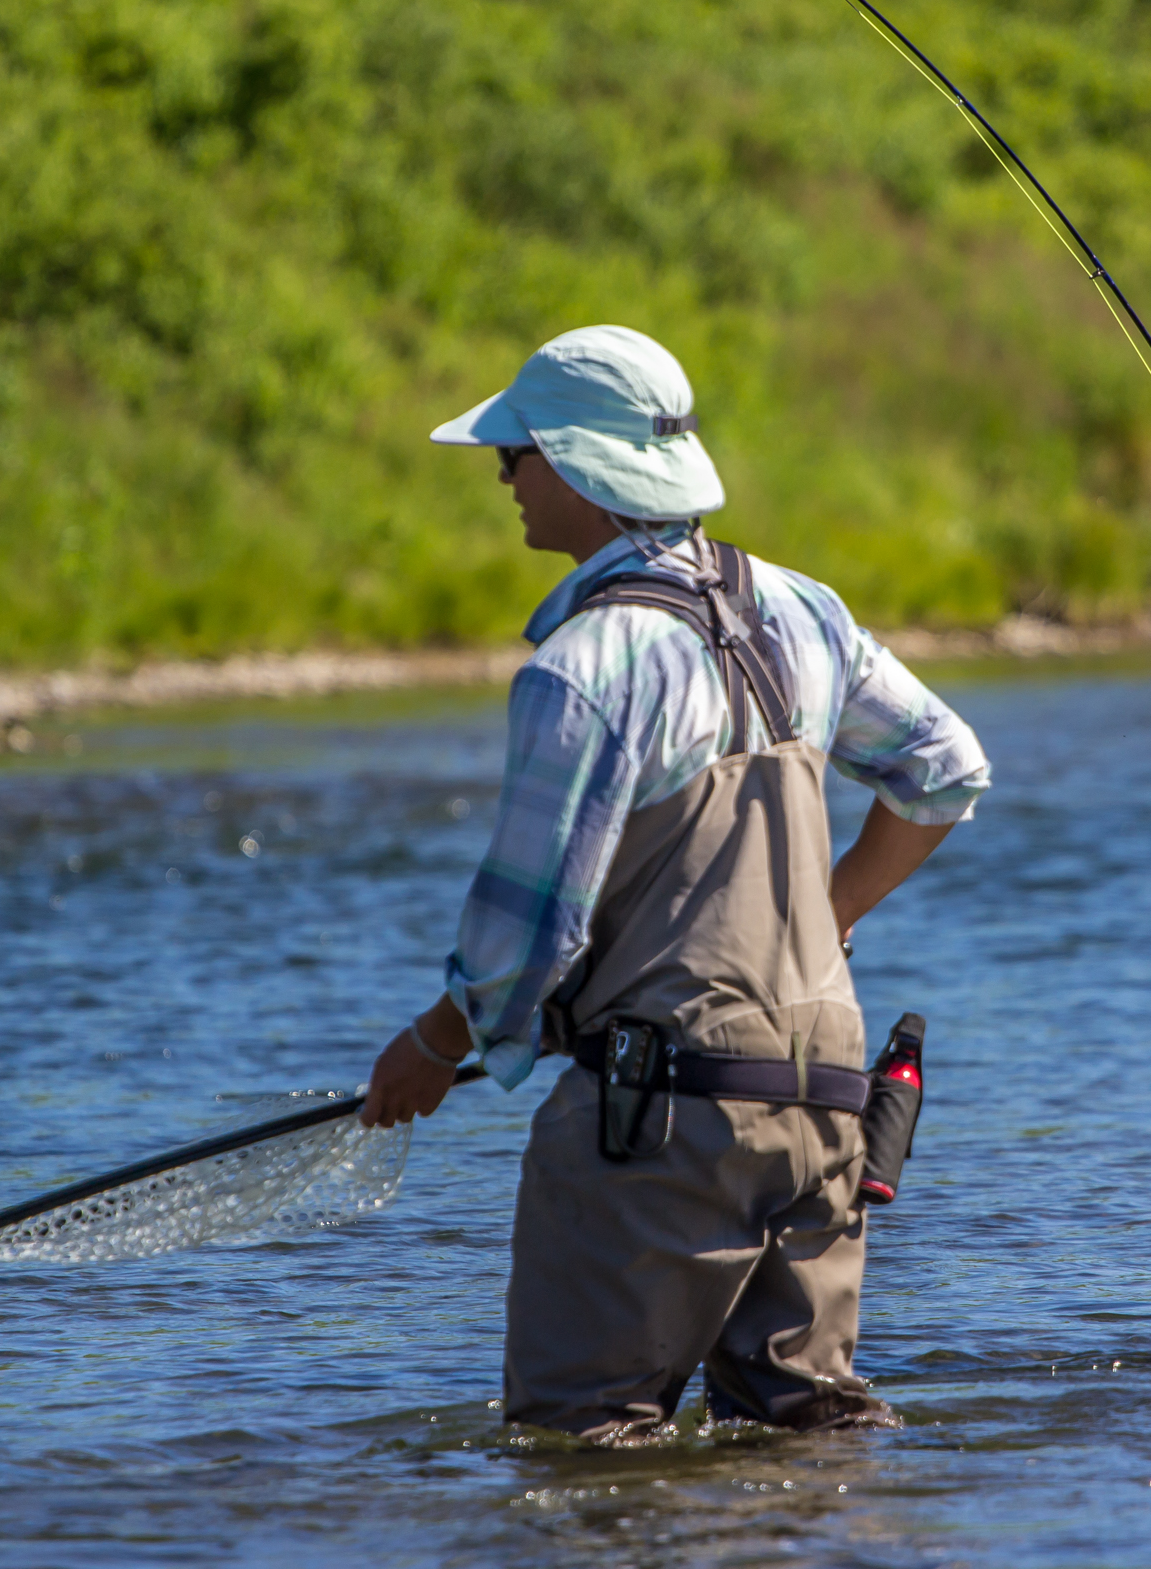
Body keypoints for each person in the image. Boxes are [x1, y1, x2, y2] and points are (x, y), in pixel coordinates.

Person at [359, 325, 992, 1438]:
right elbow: (943, 772)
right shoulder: (801, 606)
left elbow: (531, 932)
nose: (502, 478)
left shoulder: (584, 667)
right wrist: (825, 920)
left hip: (659, 1120)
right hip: (828, 1101)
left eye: (513, 454)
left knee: (581, 1448)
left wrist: (434, 1044)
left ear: (575, 465)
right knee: (806, 1438)